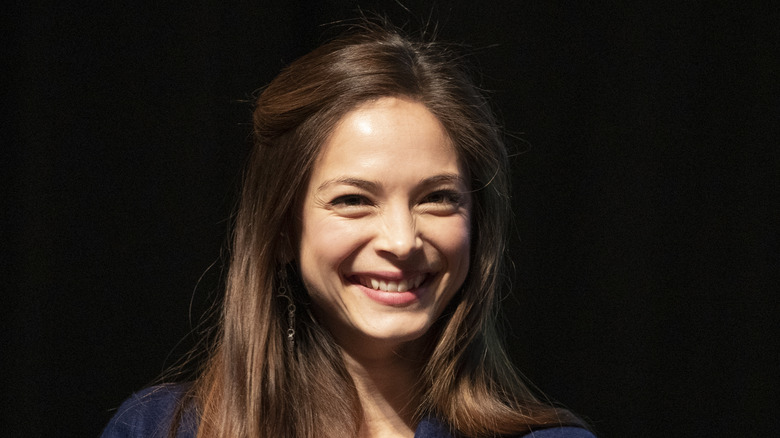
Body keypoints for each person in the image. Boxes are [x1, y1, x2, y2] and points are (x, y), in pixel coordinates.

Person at [102, 19, 596, 438]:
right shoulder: (160, 429)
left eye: (437, 198)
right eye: (354, 200)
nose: (402, 240)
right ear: (280, 230)